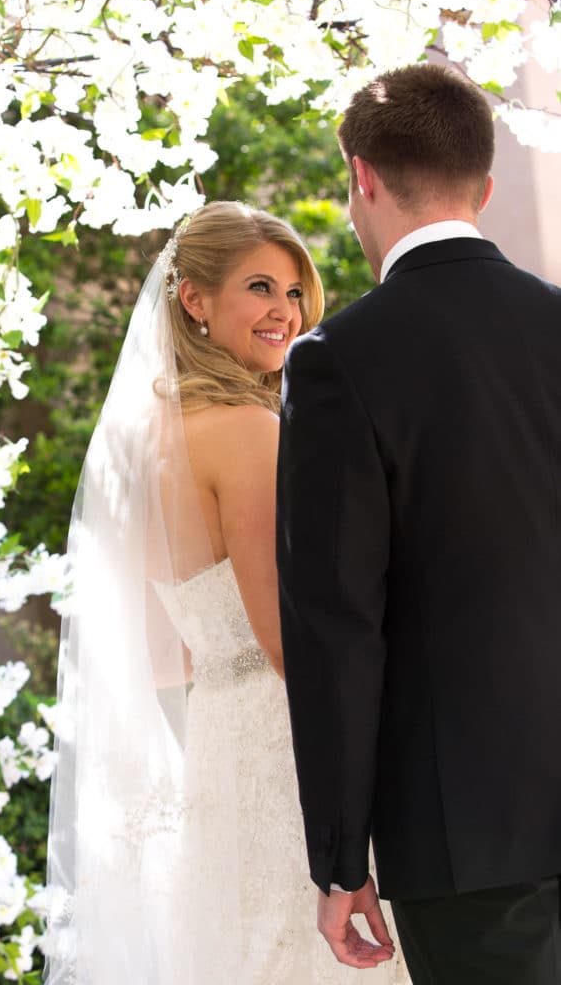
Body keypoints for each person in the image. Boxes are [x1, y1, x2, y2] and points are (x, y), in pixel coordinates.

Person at [43, 200, 409, 984]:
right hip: (291, 752)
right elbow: (290, 638)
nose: (287, 311)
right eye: (259, 288)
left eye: (293, 291)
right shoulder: (247, 427)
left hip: (217, 743)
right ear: (194, 299)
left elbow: (166, 650)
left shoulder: (146, 437)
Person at [277, 62, 561, 985]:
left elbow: (337, 627)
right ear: (483, 187)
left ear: (361, 175)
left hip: (463, 831)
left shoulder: (337, 362)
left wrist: (339, 859)